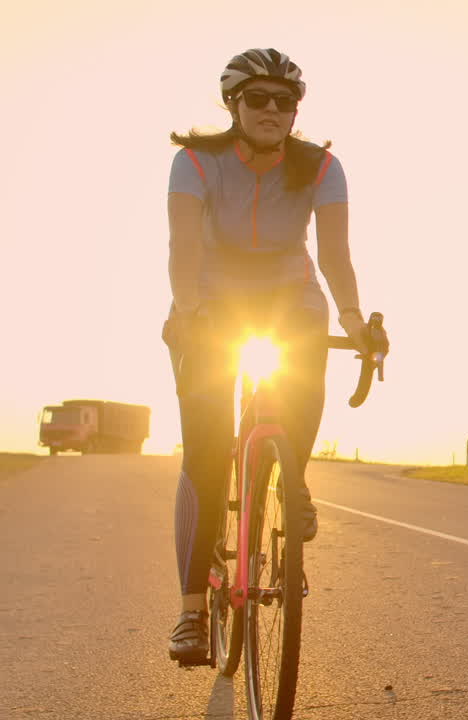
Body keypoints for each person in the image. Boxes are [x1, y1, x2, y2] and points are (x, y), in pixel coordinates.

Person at [163, 48, 375, 664]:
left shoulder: (321, 167)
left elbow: (335, 255)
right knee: (205, 454)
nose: (274, 110)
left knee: (301, 376)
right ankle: (191, 614)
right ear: (234, 104)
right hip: (210, 295)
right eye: (260, 98)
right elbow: (182, 248)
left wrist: (357, 321)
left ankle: (294, 480)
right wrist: (187, 313)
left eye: (286, 101)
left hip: (288, 292)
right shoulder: (196, 163)